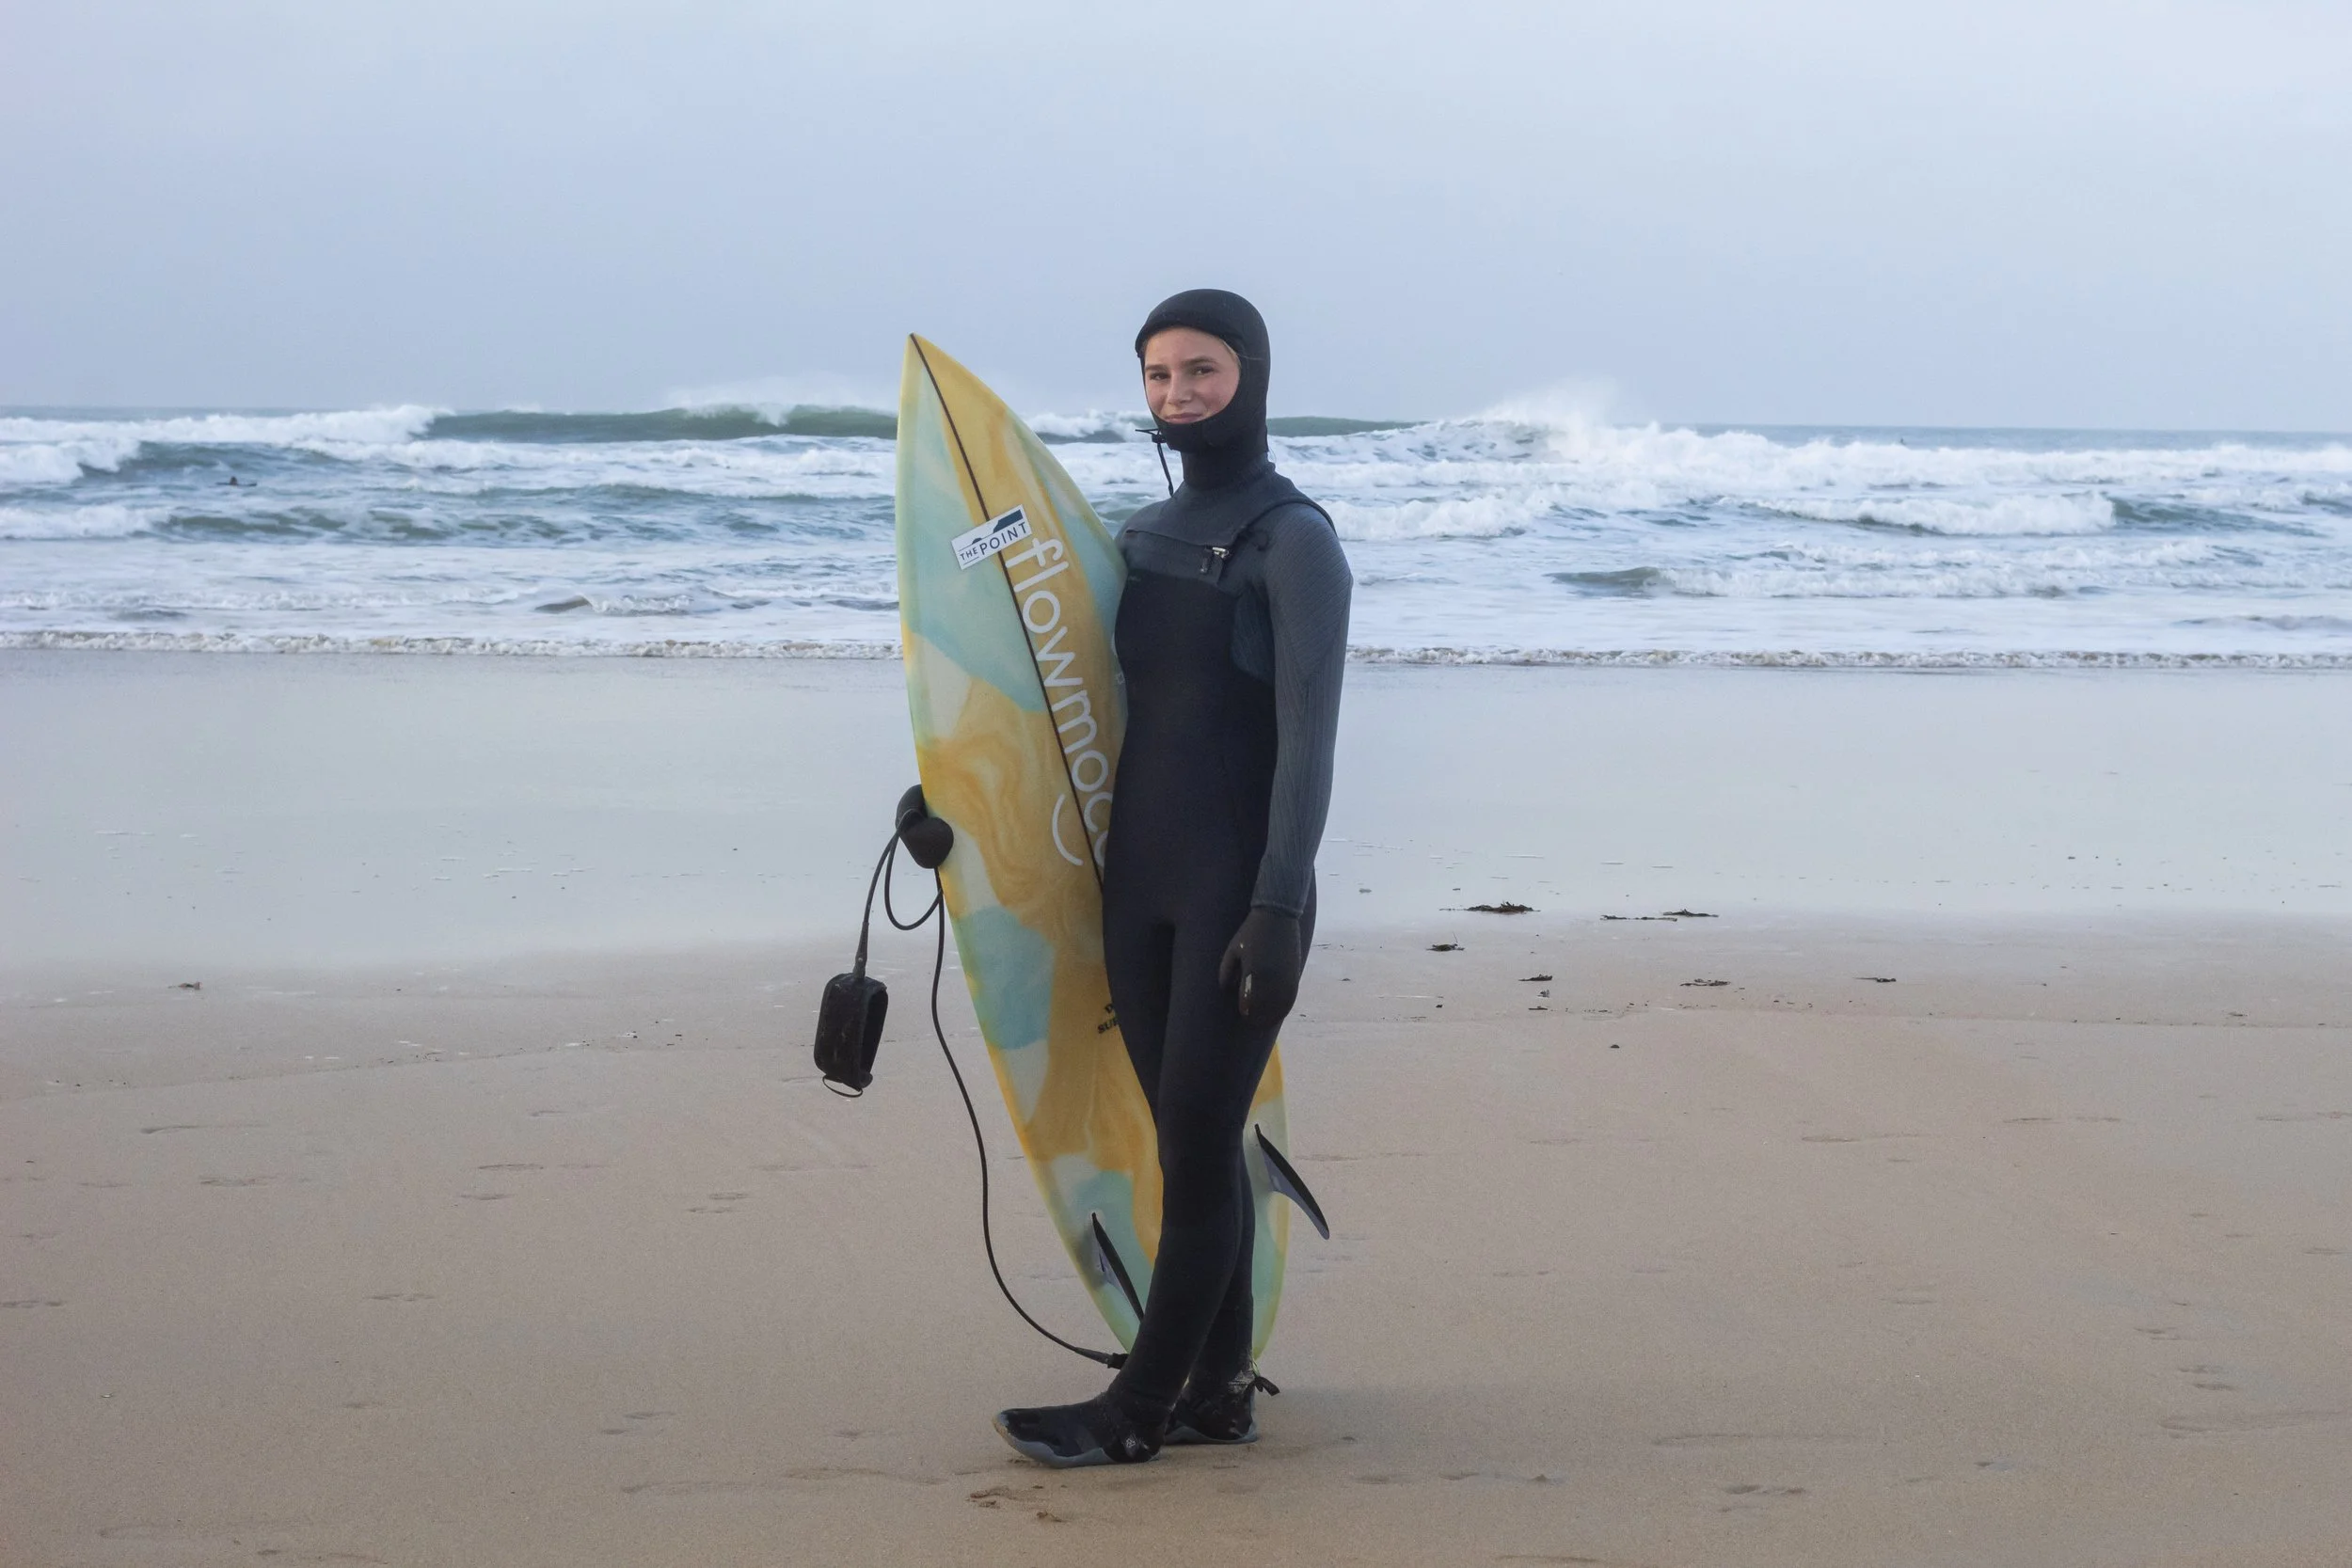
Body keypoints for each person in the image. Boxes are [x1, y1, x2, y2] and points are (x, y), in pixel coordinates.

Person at [902, 289, 1351, 1466]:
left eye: (1198, 371)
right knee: (1177, 1137)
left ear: (1250, 373)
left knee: (1199, 1144)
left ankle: (1136, 1411)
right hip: (1136, 881)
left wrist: (1277, 904)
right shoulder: (1142, 538)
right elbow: (1063, 713)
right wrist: (949, 800)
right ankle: (1219, 1388)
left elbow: (1310, 740)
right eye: (1155, 375)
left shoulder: (1291, 541)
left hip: (1237, 895)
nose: (1173, 396)